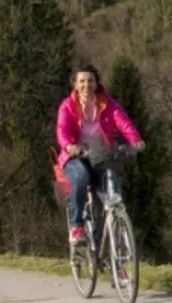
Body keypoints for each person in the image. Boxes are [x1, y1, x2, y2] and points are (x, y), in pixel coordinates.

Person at [55, 64, 145, 245]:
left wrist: (135, 140)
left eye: (90, 81)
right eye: (82, 81)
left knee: (113, 194)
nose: (86, 85)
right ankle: (76, 226)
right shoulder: (67, 106)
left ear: (96, 84)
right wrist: (69, 146)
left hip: (101, 155)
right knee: (81, 177)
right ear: (75, 85)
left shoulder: (107, 103)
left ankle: (116, 248)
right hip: (76, 157)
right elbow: (62, 130)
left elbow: (123, 122)